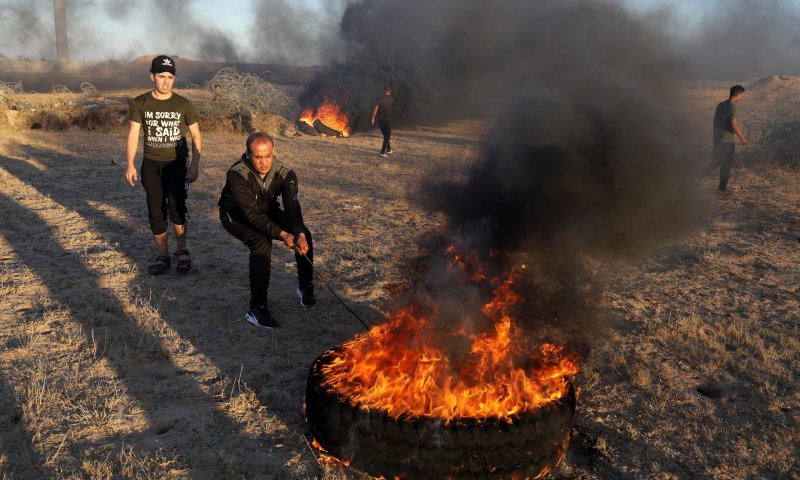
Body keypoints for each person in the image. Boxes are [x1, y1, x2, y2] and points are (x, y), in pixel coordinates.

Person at [218, 132, 315, 329]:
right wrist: (282, 234)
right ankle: (257, 308)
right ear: (247, 155)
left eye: (268, 156)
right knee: (261, 244)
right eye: (258, 157)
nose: (264, 162)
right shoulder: (236, 174)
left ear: (273, 153)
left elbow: (292, 207)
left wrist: (298, 233)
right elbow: (252, 215)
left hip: (266, 210)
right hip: (236, 215)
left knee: (303, 232)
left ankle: (305, 286)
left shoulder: (286, 174)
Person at [125, 55, 202, 275]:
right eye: (161, 76)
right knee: (156, 212)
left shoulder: (184, 104)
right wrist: (130, 164)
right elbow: (133, 135)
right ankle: (163, 256)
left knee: (177, 208)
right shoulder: (140, 103)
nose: (166, 81)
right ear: (152, 76)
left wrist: (195, 164)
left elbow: (196, 136)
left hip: (177, 163)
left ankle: (182, 251)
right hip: (151, 164)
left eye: (170, 77)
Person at [706, 85, 748, 192]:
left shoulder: (720, 104)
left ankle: (694, 178)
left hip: (717, 138)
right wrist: (742, 138)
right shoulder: (732, 106)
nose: (741, 98)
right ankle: (722, 188)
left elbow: (714, 122)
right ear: (736, 95)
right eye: (741, 95)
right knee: (726, 164)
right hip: (727, 140)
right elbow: (733, 124)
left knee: (716, 162)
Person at [371, 85, 394, 157]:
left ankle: (389, 149)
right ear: (390, 92)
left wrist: (373, 118)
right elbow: (392, 108)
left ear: (384, 91)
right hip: (387, 119)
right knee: (387, 135)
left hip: (380, 120)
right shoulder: (391, 99)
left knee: (386, 135)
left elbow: (376, 108)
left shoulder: (379, 99)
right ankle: (382, 152)